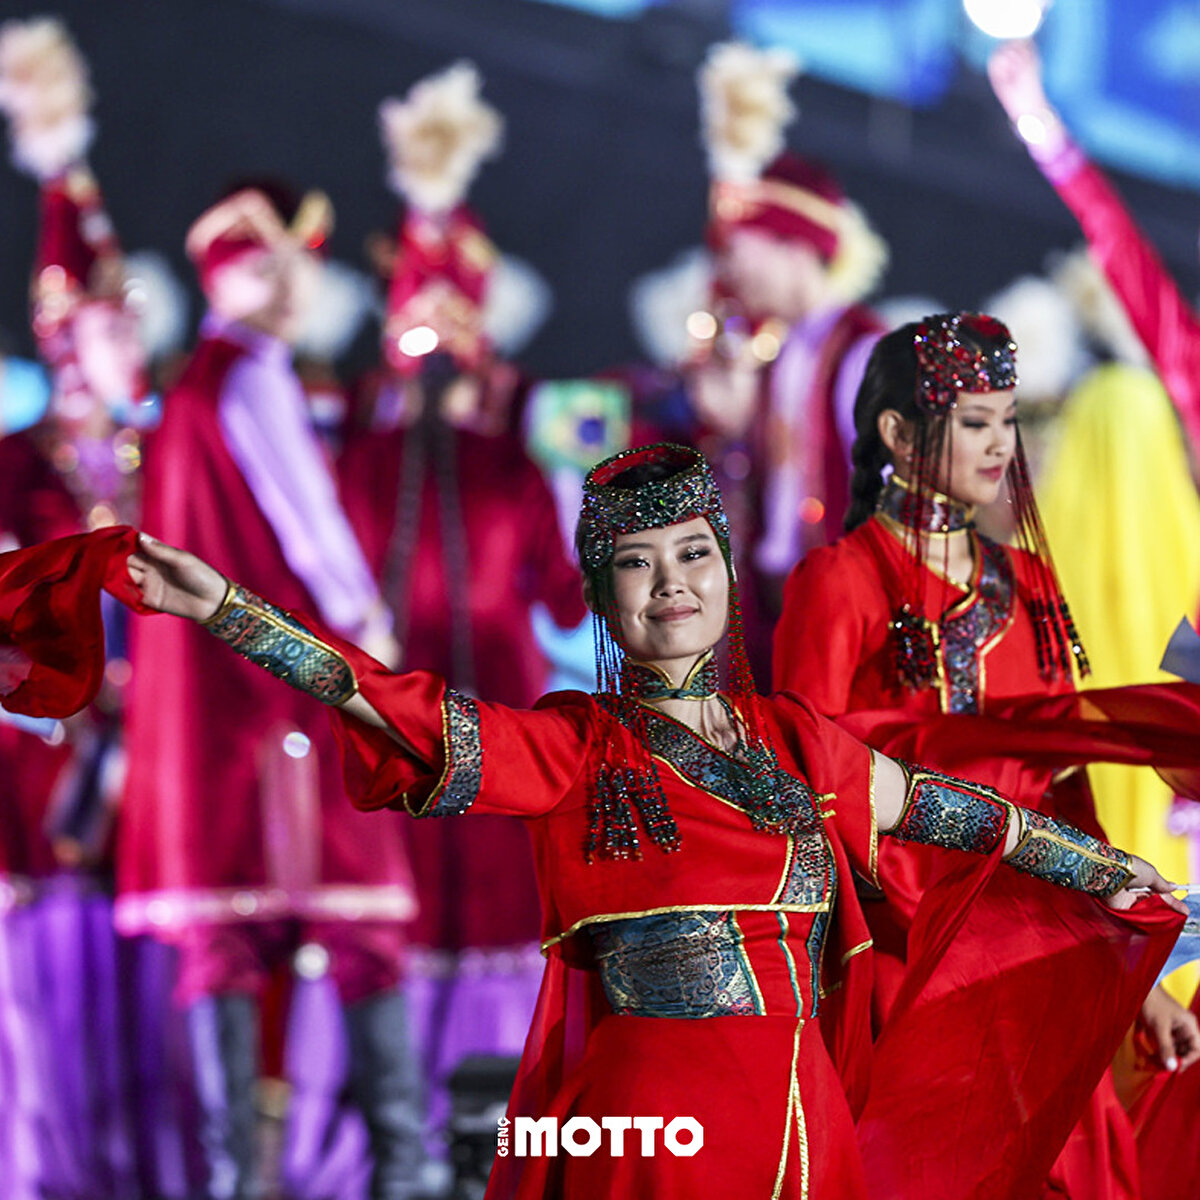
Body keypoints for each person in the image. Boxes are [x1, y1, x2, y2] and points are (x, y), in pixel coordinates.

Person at [123, 438, 1185, 1199]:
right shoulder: (577, 748)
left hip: (810, 1116)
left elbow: (955, 814)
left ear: (726, 572)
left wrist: (1101, 873)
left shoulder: (797, 741)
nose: (671, 584)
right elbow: (388, 703)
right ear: (600, 593)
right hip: (655, 1128)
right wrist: (224, 607)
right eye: (637, 563)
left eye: (694, 556)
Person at [773, 313, 1200, 1199]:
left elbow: (1063, 792)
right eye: (975, 421)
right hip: (899, 953)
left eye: (1008, 418)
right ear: (897, 432)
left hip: (1028, 950)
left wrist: (1131, 984)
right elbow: (806, 785)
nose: (1001, 443)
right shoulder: (840, 580)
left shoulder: (1032, 584)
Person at [118, 181, 422, 1198]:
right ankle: (400, 1173)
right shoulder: (248, 375)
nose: (293, 287)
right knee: (361, 929)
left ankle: (238, 1184)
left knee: (224, 942)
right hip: (279, 690)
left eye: (299, 264)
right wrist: (369, 643)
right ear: (226, 277)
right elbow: (316, 538)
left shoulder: (192, 385)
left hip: (204, 705)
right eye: (270, 266)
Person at [343, 60, 588, 1140]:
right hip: (393, 710)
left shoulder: (519, 471)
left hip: (494, 718)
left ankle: (490, 1140)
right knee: (385, 914)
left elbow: (573, 603)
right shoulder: (356, 462)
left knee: (494, 917)